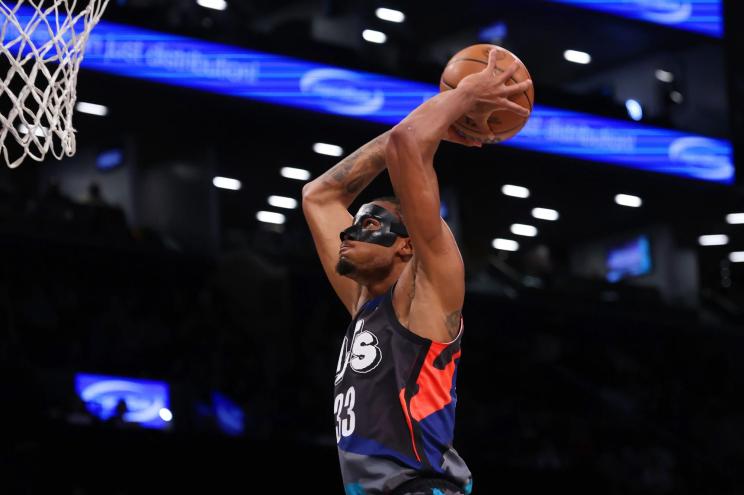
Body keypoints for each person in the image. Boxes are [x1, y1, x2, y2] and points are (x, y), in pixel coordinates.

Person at [302, 48, 532, 495]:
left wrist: (464, 95)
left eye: (369, 224)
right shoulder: (364, 304)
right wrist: (436, 119)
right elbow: (319, 196)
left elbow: (408, 144)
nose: (348, 231)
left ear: (407, 245)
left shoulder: (426, 293)